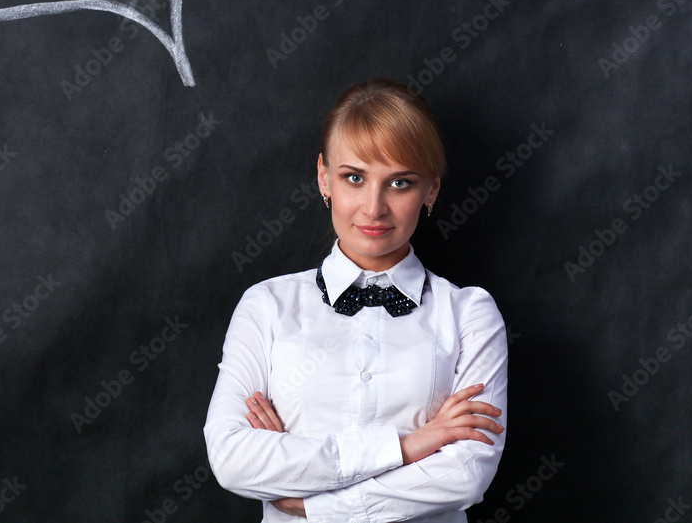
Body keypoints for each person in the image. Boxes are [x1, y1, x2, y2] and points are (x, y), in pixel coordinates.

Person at [204, 78, 507, 522]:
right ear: (324, 177)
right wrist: (408, 447)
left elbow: (465, 474)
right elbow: (233, 459)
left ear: (432, 191)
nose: (373, 208)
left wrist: (310, 503)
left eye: (400, 182)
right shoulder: (266, 306)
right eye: (354, 178)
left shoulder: (470, 315)